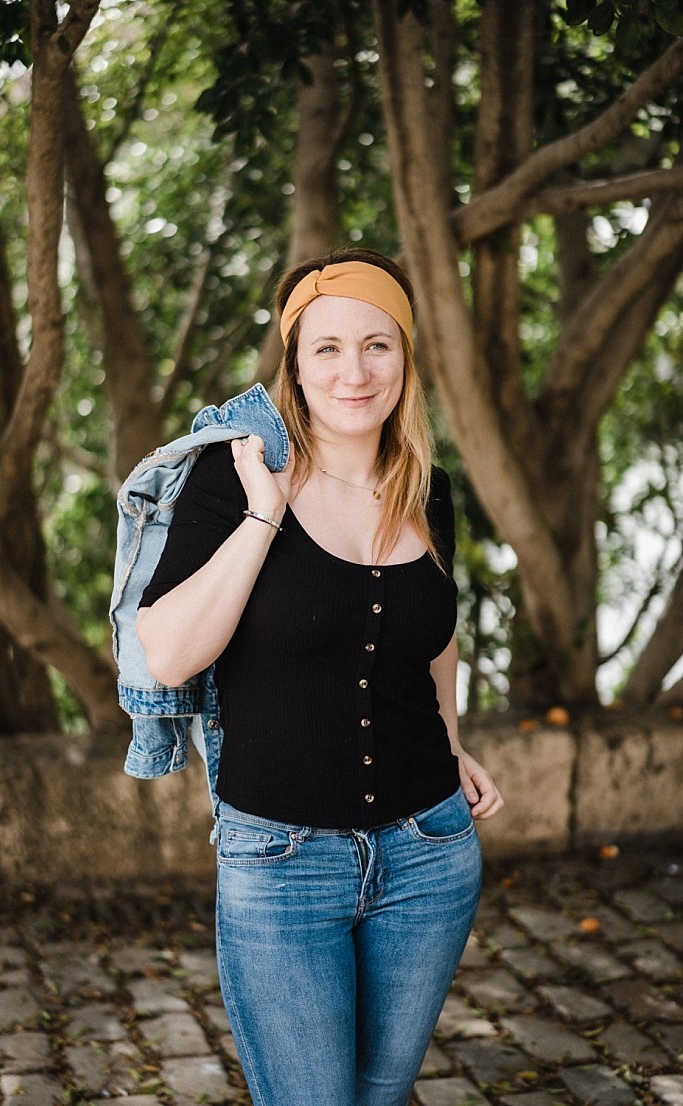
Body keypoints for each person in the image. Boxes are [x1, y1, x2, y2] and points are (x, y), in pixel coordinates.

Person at [135, 247, 503, 1106]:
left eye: (378, 345)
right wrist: (266, 514)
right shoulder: (229, 479)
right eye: (328, 347)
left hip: (431, 854)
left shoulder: (427, 489)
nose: (355, 370)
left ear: (406, 361)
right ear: (295, 365)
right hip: (282, 862)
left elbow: (430, 635)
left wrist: (452, 743)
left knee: (381, 1094)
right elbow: (169, 653)